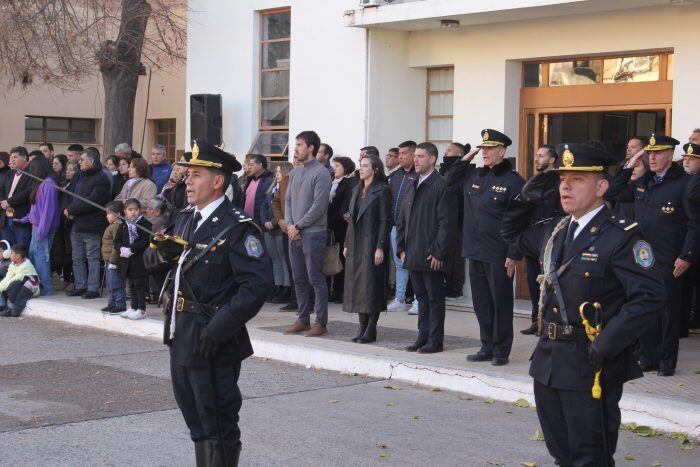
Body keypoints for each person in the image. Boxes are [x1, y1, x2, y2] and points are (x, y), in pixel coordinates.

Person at [501, 142, 665, 466]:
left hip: (591, 363)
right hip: (548, 362)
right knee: (561, 451)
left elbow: (650, 296)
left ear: (601, 186)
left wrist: (606, 344)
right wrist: (525, 198)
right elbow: (510, 234)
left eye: (577, 179)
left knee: (590, 456)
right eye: (563, 178)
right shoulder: (556, 230)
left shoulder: (621, 235)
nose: (565, 185)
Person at [153, 140, 271, 466]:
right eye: (187, 174)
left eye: (196, 175)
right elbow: (166, 268)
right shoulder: (186, 218)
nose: (187, 181)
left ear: (217, 181)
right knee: (196, 422)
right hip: (181, 333)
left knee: (218, 422)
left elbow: (257, 285)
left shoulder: (237, 226)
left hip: (214, 339)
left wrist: (219, 329)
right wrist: (159, 254)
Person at [606, 134, 695, 376]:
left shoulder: (684, 183)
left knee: (668, 314)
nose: (652, 157)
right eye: (649, 154)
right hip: (643, 257)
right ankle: (648, 357)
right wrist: (630, 164)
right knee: (644, 308)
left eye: (657, 153)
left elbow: (695, 222)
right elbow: (612, 192)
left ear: (670, 155)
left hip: (670, 258)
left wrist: (687, 255)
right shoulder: (644, 181)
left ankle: (666, 362)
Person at [446, 129, 525, 366]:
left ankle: (501, 350)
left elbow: (519, 219)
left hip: (499, 253)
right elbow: (449, 181)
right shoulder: (475, 176)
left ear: (502, 151)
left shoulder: (514, 181)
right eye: (483, 149)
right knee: (481, 302)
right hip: (475, 249)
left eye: (490, 149)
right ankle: (486, 345)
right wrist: (467, 157)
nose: (485, 153)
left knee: (500, 302)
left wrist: (514, 253)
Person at [397, 142, 456, 353]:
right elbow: (403, 217)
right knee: (420, 299)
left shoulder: (442, 184)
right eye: (416, 156)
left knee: (434, 299)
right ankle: (422, 337)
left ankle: (435, 341)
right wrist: (401, 247)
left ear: (432, 159)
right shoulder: (412, 182)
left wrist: (439, 251)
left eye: (420, 156)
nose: (416, 160)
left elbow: (447, 223)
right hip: (412, 252)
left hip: (432, 255)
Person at [283, 131, 332, 337]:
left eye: (300, 144)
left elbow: (319, 206)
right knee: (299, 279)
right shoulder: (294, 173)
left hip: (313, 233)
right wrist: (290, 225)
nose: (296, 148)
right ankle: (303, 319)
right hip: (294, 233)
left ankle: (320, 322)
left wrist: (298, 226)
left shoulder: (321, 173)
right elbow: (288, 201)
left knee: (315, 279)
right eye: (296, 144)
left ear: (311, 148)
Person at [343, 154, 391, 343]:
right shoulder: (357, 189)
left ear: (375, 169)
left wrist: (380, 247)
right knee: (357, 288)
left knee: (371, 287)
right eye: (360, 165)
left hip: (371, 244)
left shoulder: (382, 190)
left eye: (365, 166)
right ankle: (361, 326)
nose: (361, 169)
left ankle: (371, 328)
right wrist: (347, 243)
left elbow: (385, 222)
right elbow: (351, 221)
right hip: (356, 244)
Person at [521, 144, 562, 335]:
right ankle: (535, 320)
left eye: (541, 156)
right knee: (533, 282)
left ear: (552, 159)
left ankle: (547, 322)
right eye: (536, 155)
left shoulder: (558, 181)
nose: (537, 159)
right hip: (532, 240)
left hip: (550, 240)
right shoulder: (534, 180)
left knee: (549, 283)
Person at [64, 148, 111, 299]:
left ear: (91, 162)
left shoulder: (101, 179)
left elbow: (92, 201)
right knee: (77, 257)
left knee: (92, 258)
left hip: (92, 224)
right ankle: (80, 285)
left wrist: (71, 209)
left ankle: (92, 288)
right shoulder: (78, 175)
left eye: (82, 159)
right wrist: (67, 210)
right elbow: (69, 194)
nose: (79, 162)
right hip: (76, 223)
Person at [16, 156, 61, 296]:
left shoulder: (48, 184)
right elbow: (36, 209)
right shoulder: (40, 184)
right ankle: (38, 287)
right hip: (37, 228)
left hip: (42, 229)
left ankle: (46, 289)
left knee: (42, 259)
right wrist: (24, 219)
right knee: (34, 257)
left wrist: (41, 232)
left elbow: (48, 211)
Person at [387, 140, 418, 313]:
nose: (400, 157)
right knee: (399, 264)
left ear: (414, 155)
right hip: (395, 227)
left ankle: (417, 300)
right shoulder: (395, 176)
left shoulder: (418, 175)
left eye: (404, 153)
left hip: (413, 228)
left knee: (413, 263)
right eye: (399, 154)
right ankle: (399, 298)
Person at [439, 142, 470, 301]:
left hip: (459, 219)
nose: (445, 153)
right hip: (444, 218)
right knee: (445, 253)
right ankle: (445, 284)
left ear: (459, 155)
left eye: (449, 151)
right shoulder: (443, 169)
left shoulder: (465, 171)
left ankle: (455, 287)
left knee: (456, 256)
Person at [115, 198, 152, 320]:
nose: (133, 212)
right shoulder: (123, 225)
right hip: (127, 261)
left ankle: (141, 310)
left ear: (140, 211)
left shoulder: (145, 224)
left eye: (135, 210)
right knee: (131, 285)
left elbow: (146, 240)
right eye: (130, 210)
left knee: (139, 286)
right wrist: (121, 249)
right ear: (125, 211)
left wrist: (132, 249)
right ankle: (133, 307)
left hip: (139, 260)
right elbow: (117, 241)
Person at [261, 162, 293, 304]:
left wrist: (273, 222)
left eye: (279, 172)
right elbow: (264, 206)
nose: (277, 174)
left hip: (280, 229)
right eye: (276, 172)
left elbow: (282, 208)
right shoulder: (273, 187)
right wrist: (264, 222)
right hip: (268, 229)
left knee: (284, 259)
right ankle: (278, 285)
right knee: (275, 260)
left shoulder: (289, 187)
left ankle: (287, 287)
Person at [327, 156, 357, 303]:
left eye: (337, 166)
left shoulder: (349, 183)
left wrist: (338, 217)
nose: (334, 168)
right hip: (329, 225)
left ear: (345, 168)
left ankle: (341, 291)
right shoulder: (331, 182)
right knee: (330, 258)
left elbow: (345, 203)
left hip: (341, 226)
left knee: (341, 259)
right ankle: (332, 290)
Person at [271, 160, 298, 312]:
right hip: (285, 230)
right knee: (290, 266)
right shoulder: (285, 182)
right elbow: (275, 203)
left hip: (299, 229)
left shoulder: (304, 179)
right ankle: (295, 299)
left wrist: (295, 225)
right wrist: (280, 220)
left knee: (302, 268)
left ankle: (308, 301)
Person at [52, 160, 78, 291]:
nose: (68, 171)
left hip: (71, 222)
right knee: (64, 253)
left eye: (72, 169)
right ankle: (66, 278)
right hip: (61, 222)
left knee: (72, 253)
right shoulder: (63, 183)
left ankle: (73, 280)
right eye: (67, 169)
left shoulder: (77, 185)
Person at [0, 146, 33, 246]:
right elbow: (1, 191)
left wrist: (9, 202)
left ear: (24, 157)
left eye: (15, 157)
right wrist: (4, 203)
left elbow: (27, 192)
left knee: (21, 250)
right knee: (6, 249)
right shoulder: (9, 173)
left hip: (20, 217)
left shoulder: (31, 174)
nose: (11, 159)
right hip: (5, 218)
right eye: (11, 157)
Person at [0, 244, 40, 317]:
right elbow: (8, 276)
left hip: (30, 288)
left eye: (11, 253)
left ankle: (12, 308)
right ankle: (2, 305)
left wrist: (2, 287)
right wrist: (1, 287)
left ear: (18, 256)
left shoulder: (26, 265)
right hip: (18, 286)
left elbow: (16, 279)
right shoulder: (13, 264)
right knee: (7, 283)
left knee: (15, 284)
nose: (9, 254)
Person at [101, 201, 126, 315]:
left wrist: (113, 260)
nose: (107, 216)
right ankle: (111, 303)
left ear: (117, 214)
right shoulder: (112, 226)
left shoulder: (117, 227)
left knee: (116, 283)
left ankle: (120, 304)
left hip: (114, 261)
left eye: (109, 213)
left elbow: (116, 245)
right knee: (110, 284)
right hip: (108, 260)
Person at [242, 154, 274, 225]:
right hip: (246, 222)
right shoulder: (250, 179)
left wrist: (265, 221)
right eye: (249, 165)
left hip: (261, 225)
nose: (249, 167)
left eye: (251, 165)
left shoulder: (270, 180)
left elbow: (270, 203)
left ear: (260, 165)